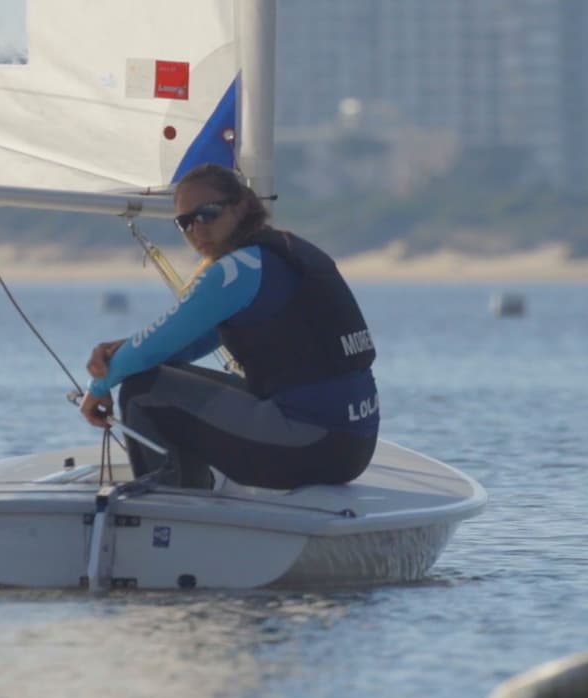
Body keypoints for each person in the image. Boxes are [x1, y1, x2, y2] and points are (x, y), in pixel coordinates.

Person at [80, 163, 379, 491]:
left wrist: (97, 389)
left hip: (309, 446)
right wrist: (127, 351)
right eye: (185, 222)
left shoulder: (237, 270)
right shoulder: (283, 253)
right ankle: (185, 484)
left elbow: (154, 347)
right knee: (152, 369)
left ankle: (173, 501)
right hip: (354, 446)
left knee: (141, 389)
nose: (197, 229)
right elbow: (183, 345)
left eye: (208, 214)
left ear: (240, 207)